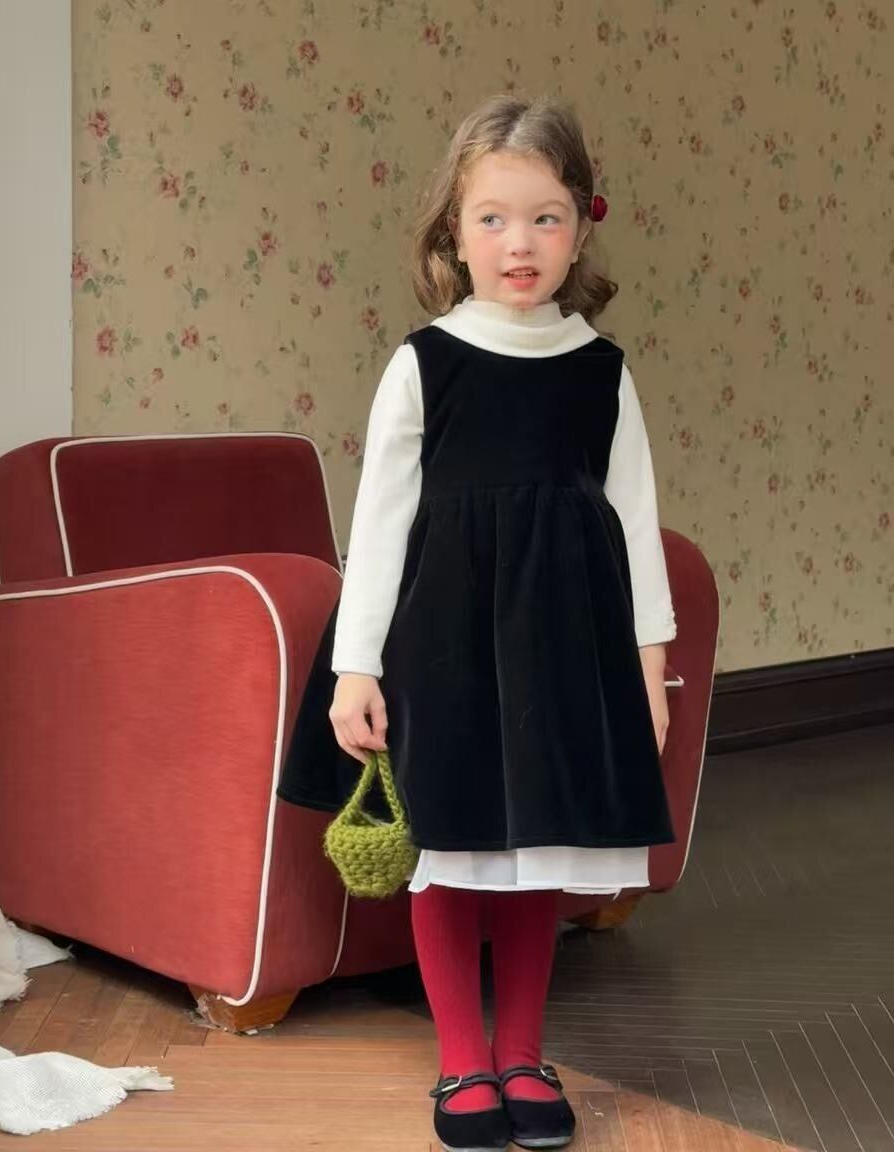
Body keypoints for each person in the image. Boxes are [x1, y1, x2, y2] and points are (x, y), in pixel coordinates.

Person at [278, 93, 676, 1152]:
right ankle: (463, 1059)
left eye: (546, 218)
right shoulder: (426, 362)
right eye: (493, 218)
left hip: (561, 653)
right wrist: (356, 666)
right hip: (442, 651)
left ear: (581, 228)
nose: (519, 243)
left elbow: (635, 525)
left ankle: (524, 1052)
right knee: (449, 852)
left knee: (538, 855)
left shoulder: (601, 371)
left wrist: (651, 669)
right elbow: (379, 522)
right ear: (453, 233)